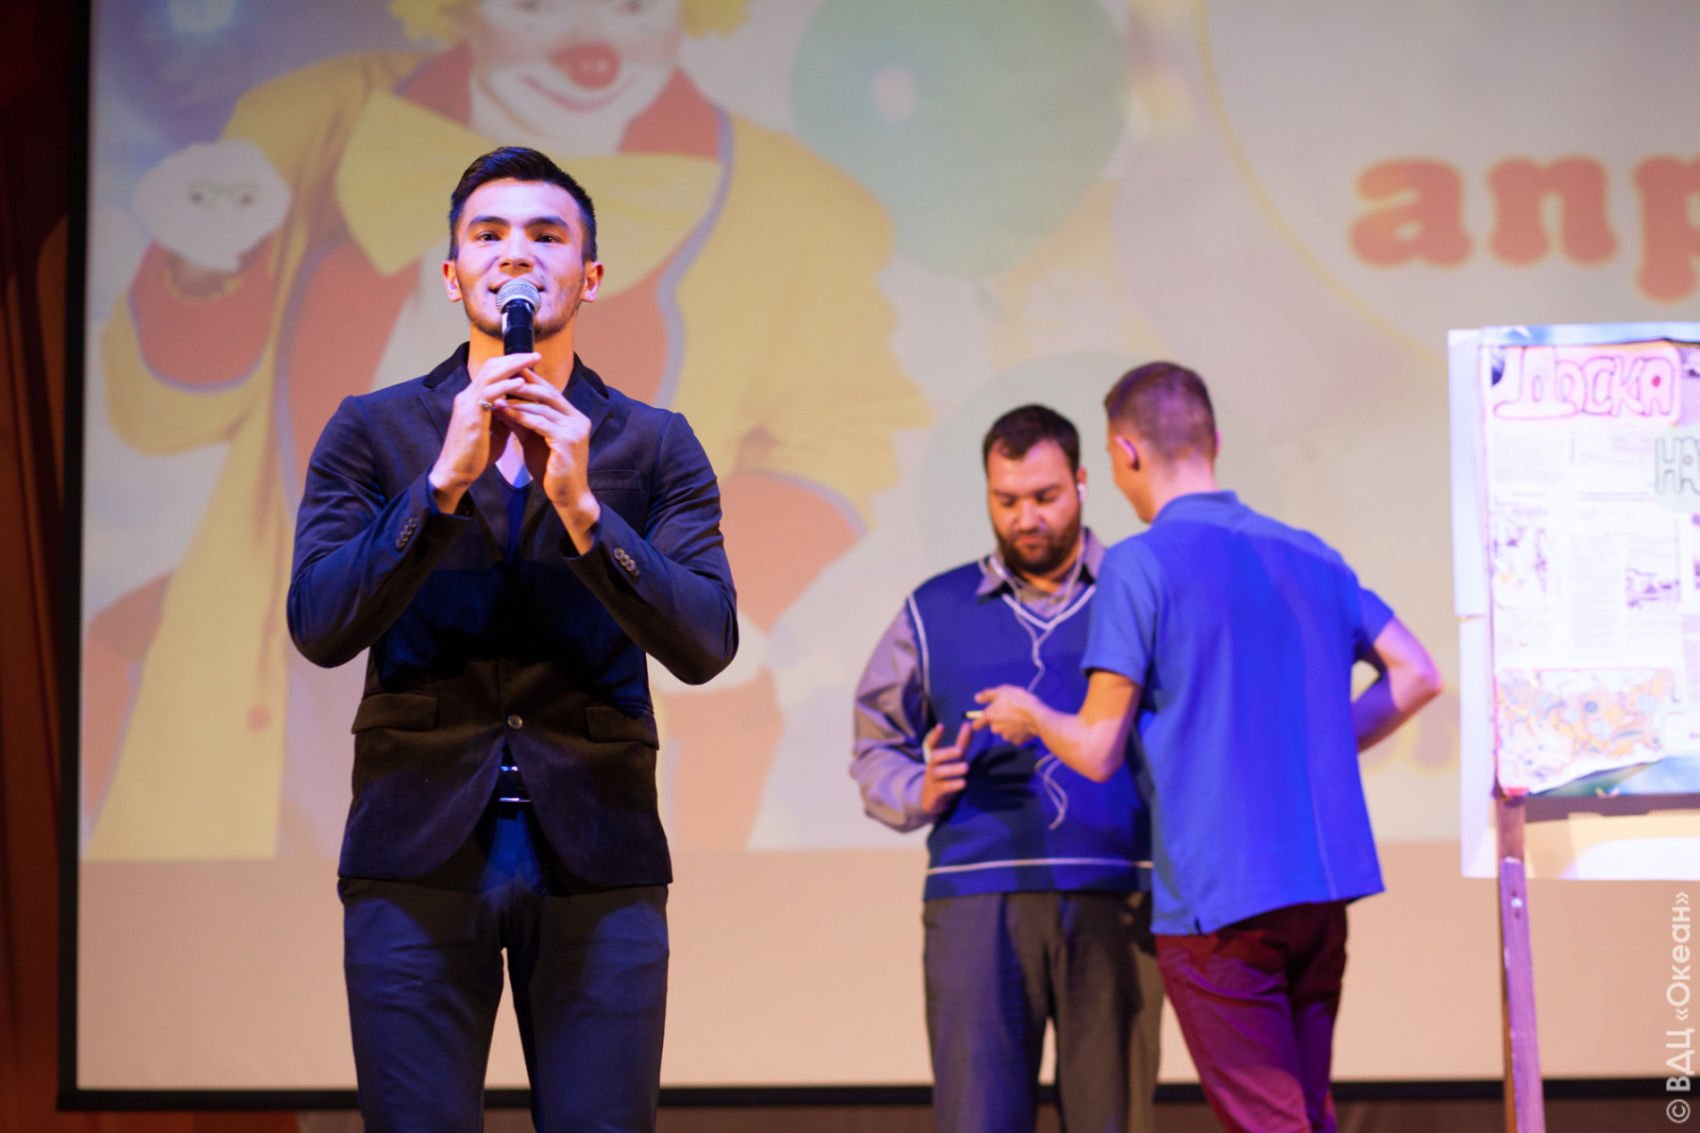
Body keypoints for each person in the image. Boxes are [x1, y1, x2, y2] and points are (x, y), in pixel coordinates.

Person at [85, 0, 925, 860]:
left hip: (578, 707)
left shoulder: (797, 206)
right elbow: (157, 420)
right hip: (330, 690)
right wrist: (203, 274)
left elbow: (855, 430)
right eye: (534, 5)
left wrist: (662, 582)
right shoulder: (312, 128)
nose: (593, 40)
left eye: (634, 4)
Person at [286, 147, 736, 1131]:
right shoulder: (374, 431)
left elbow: (706, 640)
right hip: (414, 846)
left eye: (546, 235)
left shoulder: (652, 442)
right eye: (487, 235)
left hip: (598, 850)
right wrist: (439, 484)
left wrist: (586, 512)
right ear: (453, 275)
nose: (516, 255)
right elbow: (319, 622)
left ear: (589, 275)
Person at [974, 363, 1442, 1133]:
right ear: (1214, 439)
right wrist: (1314, 745)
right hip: (1321, 888)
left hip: (1222, 899)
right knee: (1305, 1111)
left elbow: (1096, 747)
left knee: (1271, 1123)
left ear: (1124, 452)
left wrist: (1032, 713)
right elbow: (1418, 673)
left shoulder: (1139, 563)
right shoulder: (1312, 553)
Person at [852, 405, 1161, 1133]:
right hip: (975, 895)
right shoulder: (934, 608)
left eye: (1045, 496)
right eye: (1007, 499)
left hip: (1116, 889)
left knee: (1113, 1119)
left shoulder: (1140, 593)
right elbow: (875, 742)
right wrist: (918, 787)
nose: (1026, 518)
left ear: (1082, 482)